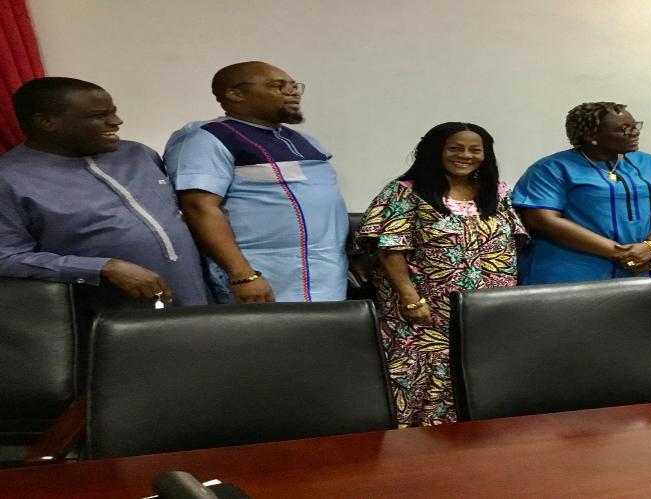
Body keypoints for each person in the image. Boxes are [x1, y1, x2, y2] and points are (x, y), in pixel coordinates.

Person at [355, 122, 527, 427]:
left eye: (475, 150)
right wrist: (410, 299)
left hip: (484, 311)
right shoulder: (404, 192)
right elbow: (389, 249)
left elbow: (512, 245)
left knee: (477, 376)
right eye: (455, 148)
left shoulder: (497, 192)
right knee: (420, 378)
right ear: (436, 151)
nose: (466, 155)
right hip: (425, 312)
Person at [0, 77, 209, 311]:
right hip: (108, 314)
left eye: (114, 112)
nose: (116, 122)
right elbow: (6, 258)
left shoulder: (138, 154)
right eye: (99, 116)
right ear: (46, 122)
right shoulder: (9, 178)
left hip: (195, 298)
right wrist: (104, 268)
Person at [164, 61, 349, 303]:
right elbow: (198, 208)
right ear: (235, 94)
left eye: (294, 86)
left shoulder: (306, 141)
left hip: (326, 275)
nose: (292, 92)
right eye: (278, 86)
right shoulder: (208, 138)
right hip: (262, 277)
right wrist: (243, 275)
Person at [512, 102, 651, 290]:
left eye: (635, 126)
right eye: (624, 129)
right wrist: (623, 254)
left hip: (644, 272)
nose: (634, 133)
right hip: (571, 274)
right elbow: (543, 221)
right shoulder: (551, 169)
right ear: (591, 135)